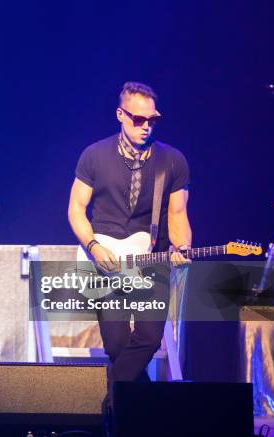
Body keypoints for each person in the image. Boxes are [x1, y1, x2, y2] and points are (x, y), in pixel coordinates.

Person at [68, 82, 192, 390]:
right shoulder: (94, 155)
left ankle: (104, 400)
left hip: (151, 259)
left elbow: (177, 215)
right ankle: (136, 411)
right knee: (117, 344)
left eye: (153, 120)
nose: (146, 126)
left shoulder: (172, 160)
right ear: (121, 115)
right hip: (103, 259)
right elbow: (76, 209)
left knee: (149, 339)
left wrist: (182, 246)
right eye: (139, 119)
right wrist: (94, 246)